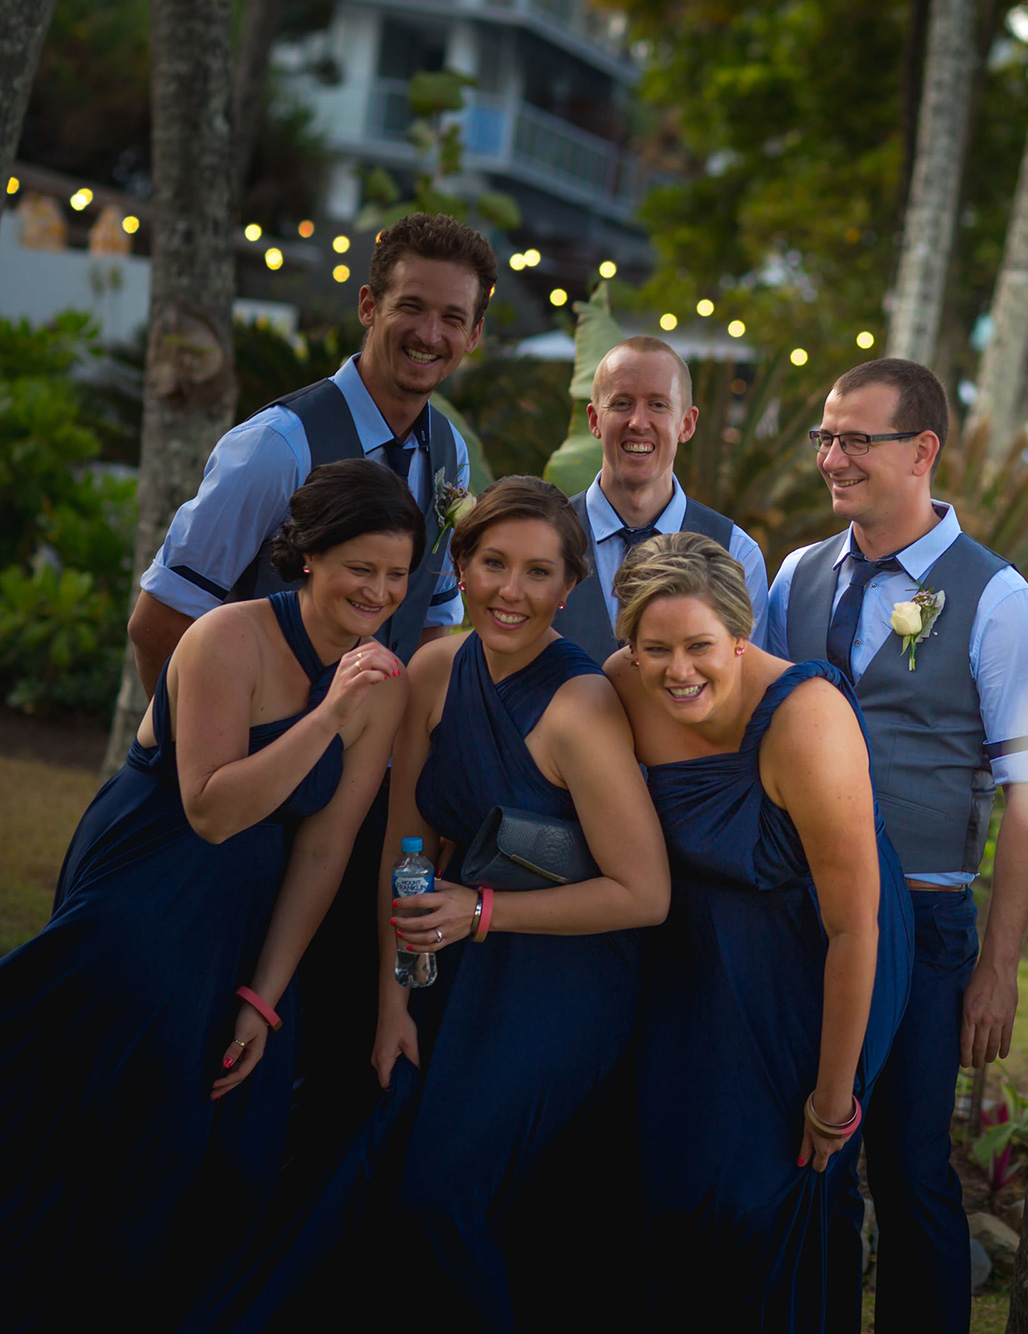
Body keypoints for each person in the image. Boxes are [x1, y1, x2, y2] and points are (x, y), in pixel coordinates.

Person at [204, 477, 671, 1331]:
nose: (510, 591)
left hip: (565, 982)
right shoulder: (434, 667)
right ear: (461, 564)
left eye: (538, 573)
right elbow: (408, 847)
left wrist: (484, 912)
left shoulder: (580, 707)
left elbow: (645, 893)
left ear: (570, 589)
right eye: (493, 562)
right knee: (381, 1168)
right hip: (449, 964)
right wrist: (393, 1000)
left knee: (440, 1200)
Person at [0, 459, 420, 1326]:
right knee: (119, 1124)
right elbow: (213, 810)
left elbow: (324, 848)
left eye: (396, 574)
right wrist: (329, 716)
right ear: (309, 556)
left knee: (236, 1157)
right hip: (146, 893)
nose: (378, 592)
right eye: (360, 568)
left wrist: (263, 1000)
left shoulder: (384, 681)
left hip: (249, 919)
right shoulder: (228, 637)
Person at [127, 211, 496, 1145]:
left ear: (474, 333)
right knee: (171, 1065)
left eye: (453, 317)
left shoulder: (449, 455)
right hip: (223, 813)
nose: (430, 333)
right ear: (369, 305)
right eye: (411, 307)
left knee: (309, 1062)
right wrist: (208, 769)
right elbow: (163, 620)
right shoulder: (276, 447)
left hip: (346, 806)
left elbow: (436, 625)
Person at [760, 357, 1028, 1331]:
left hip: (923, 922)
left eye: (856, 439)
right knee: (808, 1154)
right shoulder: (797, 574)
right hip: (797, 913)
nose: (831, 457)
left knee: (907, 1166)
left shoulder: (999, 599)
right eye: (825, 436)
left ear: (921, 449)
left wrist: (997, 967)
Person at [606, 532, 914, 1330]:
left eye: (701, 647)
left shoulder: (808, 723)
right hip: (697, 954)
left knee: (769, 1189)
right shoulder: (623, 688)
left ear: (741, 639)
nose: (679, 670)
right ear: (629, 647)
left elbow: (857, 926)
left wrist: (833, 1095)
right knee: (667, 1177)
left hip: (823, 955)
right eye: (656, 648)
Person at [552, 335, 769, 661]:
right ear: (595, 420)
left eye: (658, 404)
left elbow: (746, 688)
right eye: (622, 403)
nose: (638, 422)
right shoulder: (545, 538)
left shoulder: (738, 554)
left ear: (686, 424)